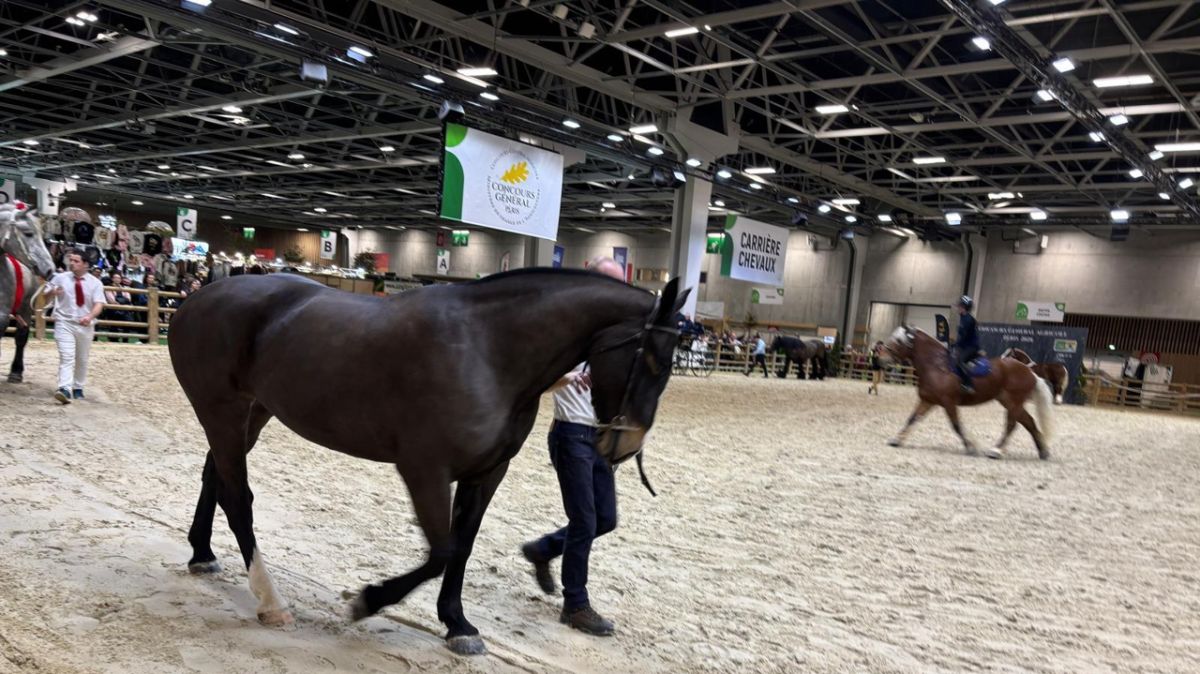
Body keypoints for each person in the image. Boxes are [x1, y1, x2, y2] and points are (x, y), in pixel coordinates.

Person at [520, 256, 627, 637]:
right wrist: (565, 379)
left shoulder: (613, 336)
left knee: (606, 520)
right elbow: (531, 380)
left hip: (599, 437)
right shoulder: (567, 330)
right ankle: (575, 605)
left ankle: (544, 549)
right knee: (584, 521)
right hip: (570, 435)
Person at [47, 250, 106, 403]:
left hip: (85, 325)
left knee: (82, 358)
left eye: (76, 261)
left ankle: (78, 386)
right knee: (66, 356)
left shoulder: (95, 283)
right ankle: (64, 388)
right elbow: (44, 294)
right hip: (64, 322)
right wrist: (52, 292)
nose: (72, 263)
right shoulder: (60, 278)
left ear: (86, 264)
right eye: (71, 260)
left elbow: (99, 304)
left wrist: (90, 316)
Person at [953, 295, 980, 393]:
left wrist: (955, 345)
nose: (957, 308)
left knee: (960, 361)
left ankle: (969, 384)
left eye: (959, 306)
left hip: (971, 347)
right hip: (965, 346)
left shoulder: (968, 320)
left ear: (963, 307)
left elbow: (963, 337)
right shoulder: (963, 318)